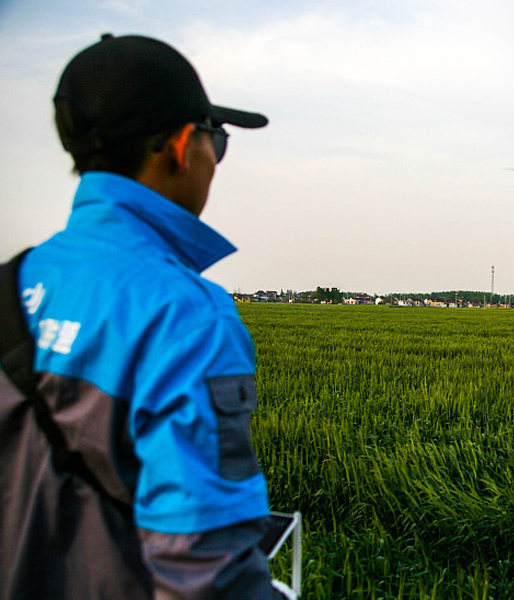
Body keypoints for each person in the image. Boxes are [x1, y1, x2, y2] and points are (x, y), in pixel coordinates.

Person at [0, 34, 292, 599]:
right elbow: (207, 573)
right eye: (218, 141)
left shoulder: (8, 286)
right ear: (183, 146)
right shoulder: (183, 317)